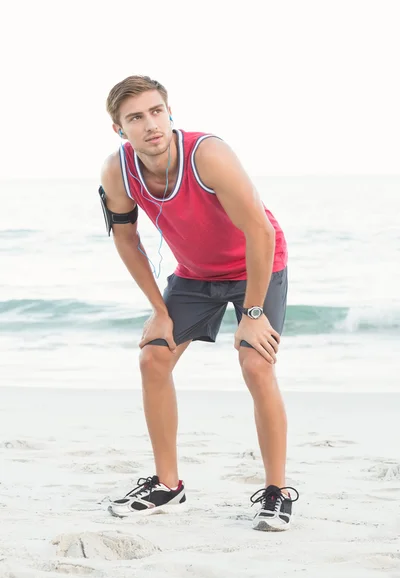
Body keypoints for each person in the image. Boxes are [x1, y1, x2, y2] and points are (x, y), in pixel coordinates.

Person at [99, 75, 299, 531]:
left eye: (156, 111)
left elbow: (261, 232)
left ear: (169, 111)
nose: (150, 124)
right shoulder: (118, 170)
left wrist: (251, 315)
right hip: (195, 274)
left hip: (257, 263)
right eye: (135, 117)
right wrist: (159, 308)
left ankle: (276, 491)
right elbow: (127, 241)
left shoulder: (206, 154)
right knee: (153, 359)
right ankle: (169, 486)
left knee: (256, 364)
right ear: (119, 128)